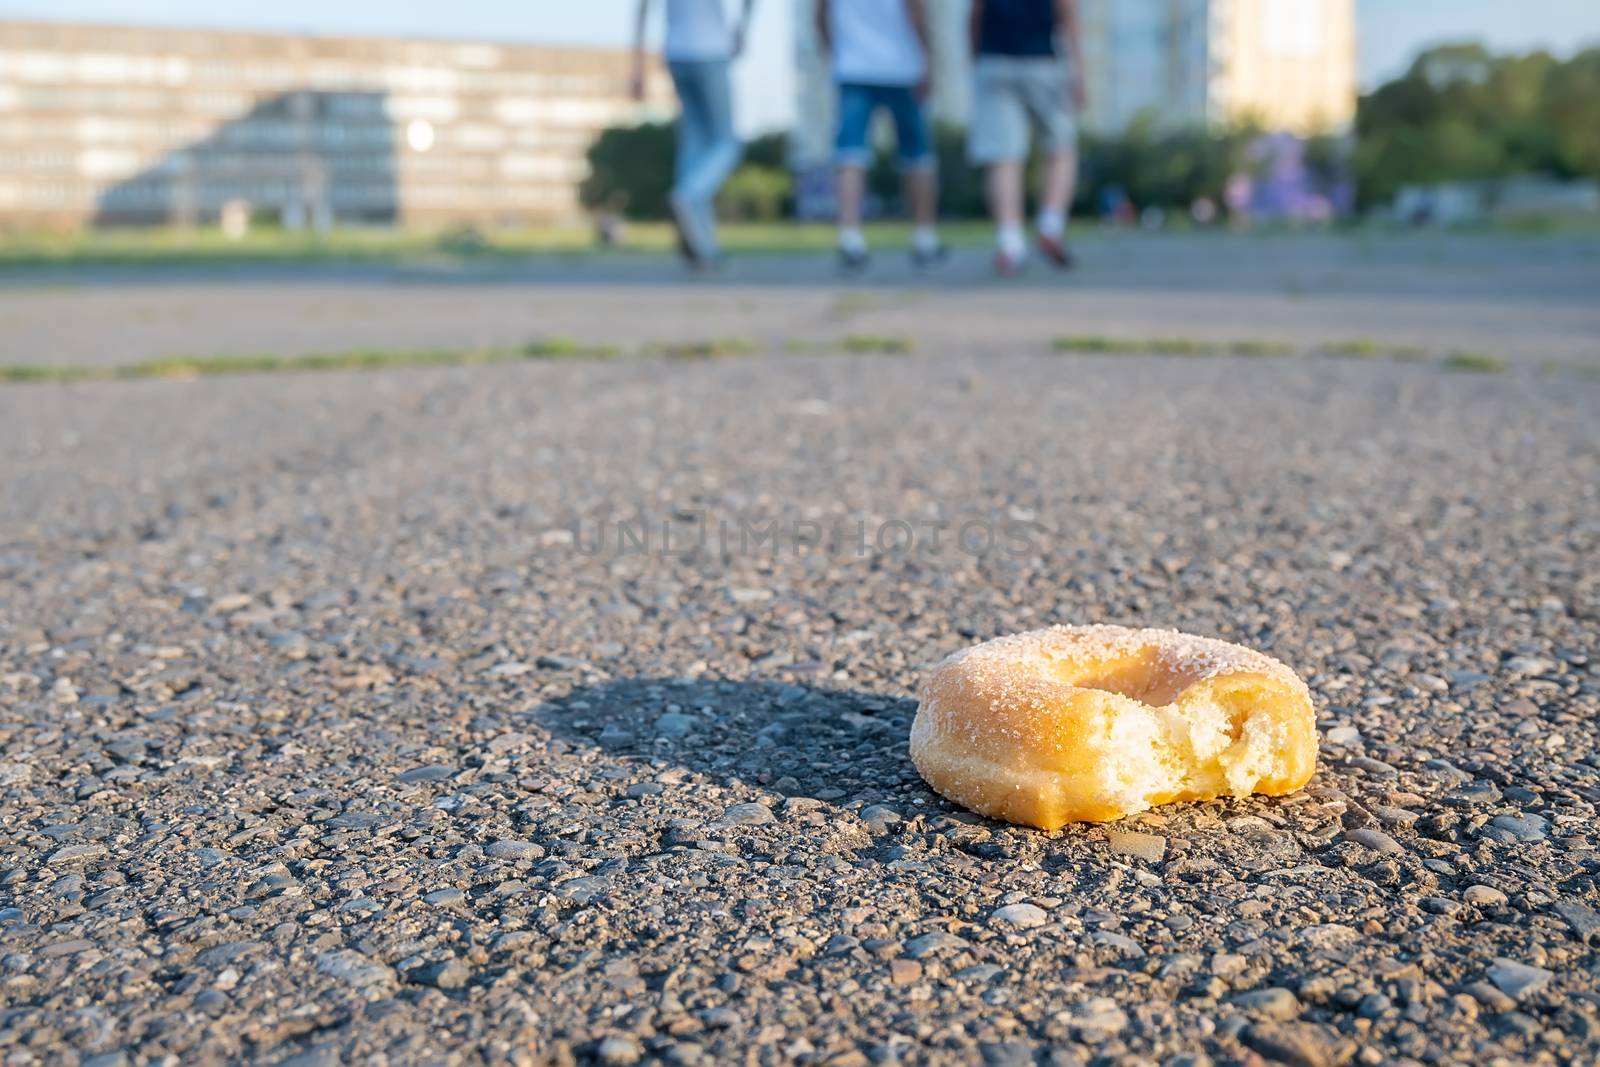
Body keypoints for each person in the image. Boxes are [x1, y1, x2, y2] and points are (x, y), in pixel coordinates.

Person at [816, 0, 944, 272]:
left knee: (850, 154)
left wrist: (835, 54)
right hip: (902, 66)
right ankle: (925, 237)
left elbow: (820, 15)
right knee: (917, 156)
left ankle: (850, 237)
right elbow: (917, 10)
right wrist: (929, 57)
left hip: (852, 66)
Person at [632, 0, 756, 268]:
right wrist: (742, 27)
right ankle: (688, 197)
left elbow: (643, 7)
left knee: (695, 144)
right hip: (711, 48)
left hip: (676, 52)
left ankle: (702, 243)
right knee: (727, 143)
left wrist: (638, 65)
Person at [968, 0, 1085, 274]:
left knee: (1003, 158)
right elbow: (1067, 10)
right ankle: (1050, 225)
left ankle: (1010, 243)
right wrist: (1079, 69)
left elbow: (975, 13)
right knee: (1061, 148)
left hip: (993, 61)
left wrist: (976, 59)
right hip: (1043, 61)